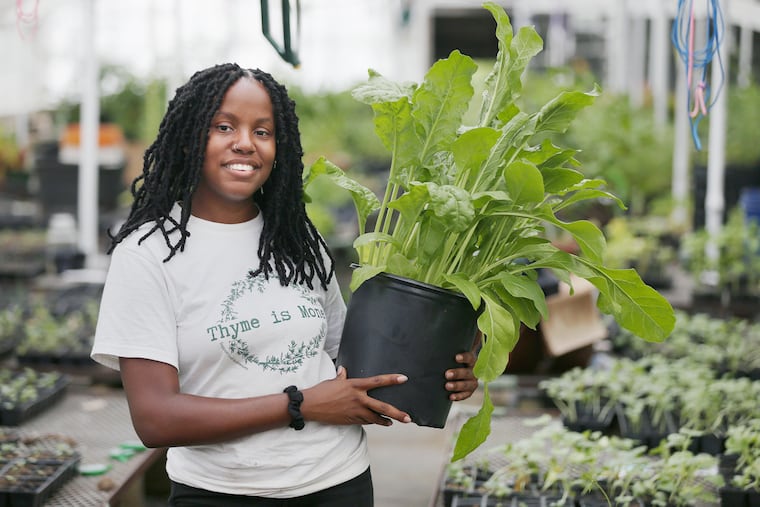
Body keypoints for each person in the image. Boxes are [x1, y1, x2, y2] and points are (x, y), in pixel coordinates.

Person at [90, 63, 479, 507]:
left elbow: (344, 365)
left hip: (338, 481)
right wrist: (300, 404)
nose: (245, 143)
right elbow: (156, 419)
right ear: (190, 136)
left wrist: (440, 369)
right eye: (223, 126)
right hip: (219, 493)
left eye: (263, 131)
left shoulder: (296, 237)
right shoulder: (147, 254)